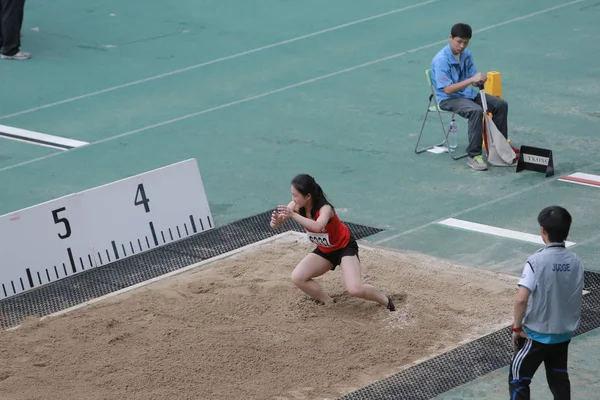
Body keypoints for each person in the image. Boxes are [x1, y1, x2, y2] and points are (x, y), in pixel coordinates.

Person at [270, 173, 396, 311]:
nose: (292, 199)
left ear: (308, 196)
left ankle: (387, 302)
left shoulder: (325, 209)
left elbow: (318, 226)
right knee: (298, 277)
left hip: (344, 248)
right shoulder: (295, 206)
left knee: (355, 289)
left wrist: (293, 215)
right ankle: (328, 301)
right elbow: (276, 224)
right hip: (325, 251)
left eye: (295, 195)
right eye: (292, 195)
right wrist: (275, 221)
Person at [509, 206, 584, 400]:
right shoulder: (576, 262)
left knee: (518, 379)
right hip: (563, 335)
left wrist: (517, 328)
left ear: (543, 231)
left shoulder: (536, 261)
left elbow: (521, 298)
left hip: (536, 335)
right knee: (559, 381)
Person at [431, 22, 508, 171]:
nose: (462, 46)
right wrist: (470, 80)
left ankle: (499, 149)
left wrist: (478, 79)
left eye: (465, 43)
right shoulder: (441, 60)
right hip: (448, 99)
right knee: (475, 111)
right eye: (459, 41)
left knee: (500, 104)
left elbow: (472, 77)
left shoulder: (466, 54)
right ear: (450, 38)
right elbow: (447, 90)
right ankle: (474, 156)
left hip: (467, 94)